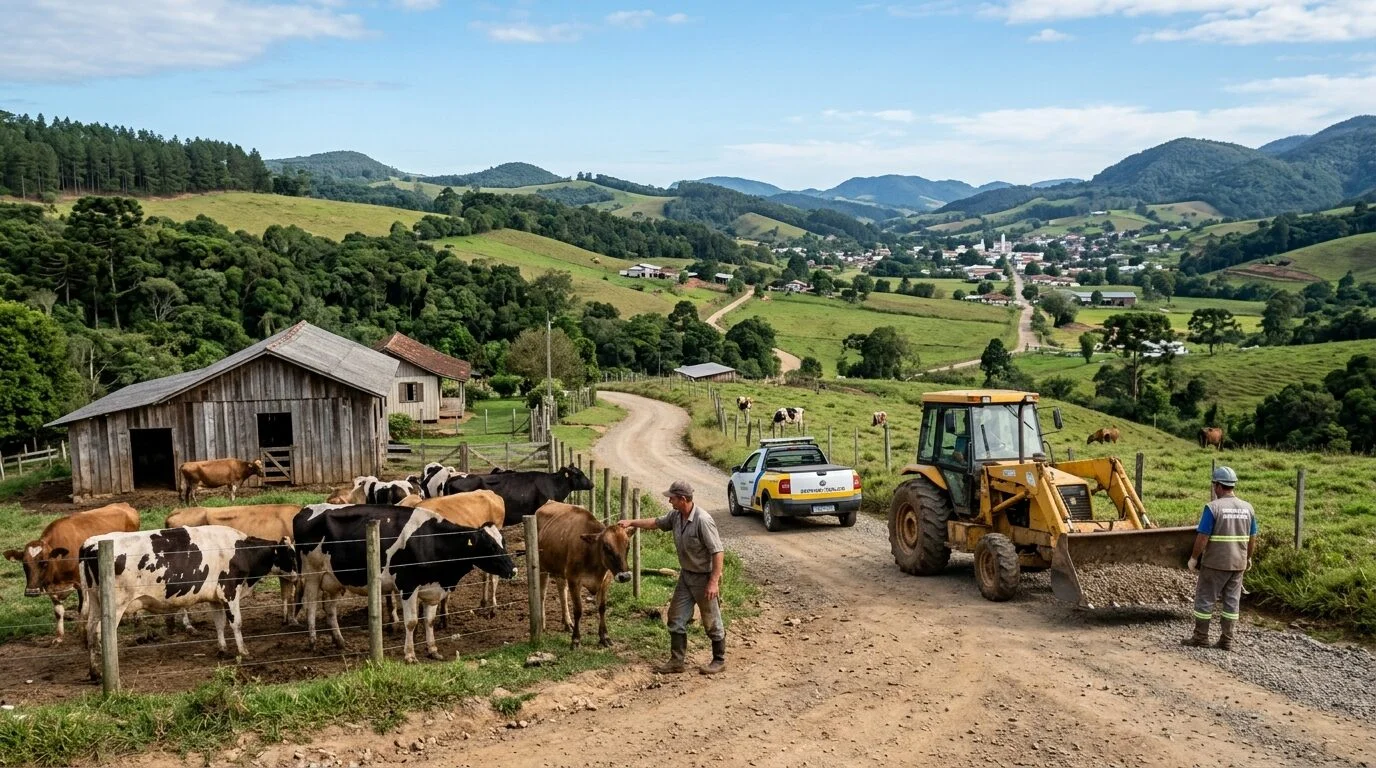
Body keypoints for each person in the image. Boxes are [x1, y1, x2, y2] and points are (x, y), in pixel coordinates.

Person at [619, 480, 726, 675]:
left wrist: (713, 582)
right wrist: (632, 522)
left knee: (711, 619)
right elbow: (655, 523)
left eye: (672, 498)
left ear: (683, 499)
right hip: (686, 576)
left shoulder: (703, 520)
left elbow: (717, 552)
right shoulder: (676, 516)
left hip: (704, 577)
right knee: (675, 617)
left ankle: (719, 660)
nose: (670, 501)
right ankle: (677, 661)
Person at [1183, 466, 1258, 651]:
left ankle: (1201, 637)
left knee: (1205, 599)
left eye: (1214, 485)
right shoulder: (1248, 508)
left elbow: (1203, 536)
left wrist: (1194, 558)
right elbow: (1252, 537)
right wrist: (1248, 558)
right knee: (1232, 602)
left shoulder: (1213, 508)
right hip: (1238, 564)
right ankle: (1226, 640)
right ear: (1232, 485)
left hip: (1215, 563)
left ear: (1217, 485)